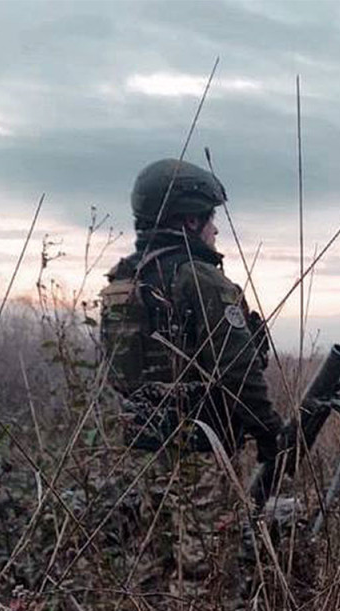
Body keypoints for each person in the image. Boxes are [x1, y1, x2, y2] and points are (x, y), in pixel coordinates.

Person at [98, 158, 284, 581]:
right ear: (189, 219)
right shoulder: (199, 278)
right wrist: (268, 429)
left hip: (143, 447)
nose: (215, 230)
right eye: (210, 219)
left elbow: (116, 374)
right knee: (201, 570)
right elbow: (238, 369)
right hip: (201, 447)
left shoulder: (121, 284)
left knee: (150, 563)